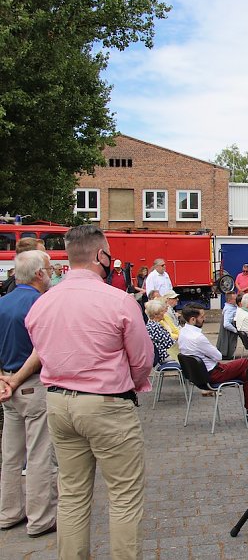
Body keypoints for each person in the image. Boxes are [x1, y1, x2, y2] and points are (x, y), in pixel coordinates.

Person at [24, 224, 152, 559]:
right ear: (101, 255)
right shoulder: (119, 301)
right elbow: (141, 359)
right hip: (107, 405)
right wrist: (135, 383)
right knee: (124, 496)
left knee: (72, 495)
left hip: (58, 402)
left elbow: (41, 350)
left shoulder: (42, 303)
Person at [0, 250, 58, 538]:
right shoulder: (41, 304)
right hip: (32, 385)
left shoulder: (3, 302)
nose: (52, 272)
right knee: (38, 455)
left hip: (7, 386)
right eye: (49, 268)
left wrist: (5, 380)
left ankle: (8, 513)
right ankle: (40, 518)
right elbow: (41, 350)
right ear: (39, 274)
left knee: (10, 456)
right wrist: (17, 379)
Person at [178, 303, 248, 425]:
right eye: (202, 317)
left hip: (197, 376)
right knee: (245, 362)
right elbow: (218, 356)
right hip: (212, 374)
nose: (204, 319)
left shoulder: (183, 333)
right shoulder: (198, 337)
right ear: (193, 319)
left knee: (247, 375)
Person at [145, 301, 178, 366]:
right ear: (155, 314)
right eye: (162, 312)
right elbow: (170, 344)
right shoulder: (155, 327)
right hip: (166, 356)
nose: (164, 313)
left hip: (165, 354)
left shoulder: (151, 324)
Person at [216, 291, 239, 359]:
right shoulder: (229, 309)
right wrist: (235, 330)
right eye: (235, 299)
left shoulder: (231, 307)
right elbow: (226, 324)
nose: (237, 300)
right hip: (228, 333)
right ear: (229, 300)